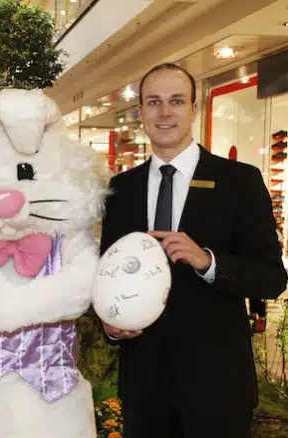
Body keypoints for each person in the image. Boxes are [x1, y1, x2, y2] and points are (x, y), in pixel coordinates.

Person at [100, 63, 288, 438]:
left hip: (217, 388)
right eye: (154, 102)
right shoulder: (121, 190)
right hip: (144, 387)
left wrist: (208, 262)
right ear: (140, 111)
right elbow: (106, 272)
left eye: (176, 101)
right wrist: (110, 325)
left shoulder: (240, 181)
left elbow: (271, 278)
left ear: (194, 108)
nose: (165, 113)